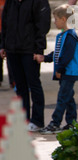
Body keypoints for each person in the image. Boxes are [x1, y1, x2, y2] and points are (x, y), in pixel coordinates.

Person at [0, 0, 51, 132]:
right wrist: (3, 45)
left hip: (30, 50)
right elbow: (5, 22)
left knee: (34, 85)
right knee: (20, 87)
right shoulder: (10, 2)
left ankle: (37, 121)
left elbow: (43, 24)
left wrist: (39, 49)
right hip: (12, 49)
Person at [35, 4, 78, 134]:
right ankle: (72, 123)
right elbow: (58, 53)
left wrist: (59, 69)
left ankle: (55, 123)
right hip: (65, 72)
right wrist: (45, 58)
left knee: (62, 98)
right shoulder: (62, 36)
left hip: (68, 72)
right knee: (68, 98)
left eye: (56, 19)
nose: (54, 22)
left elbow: (67, 56)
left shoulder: (71, 36)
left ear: (64, 19)